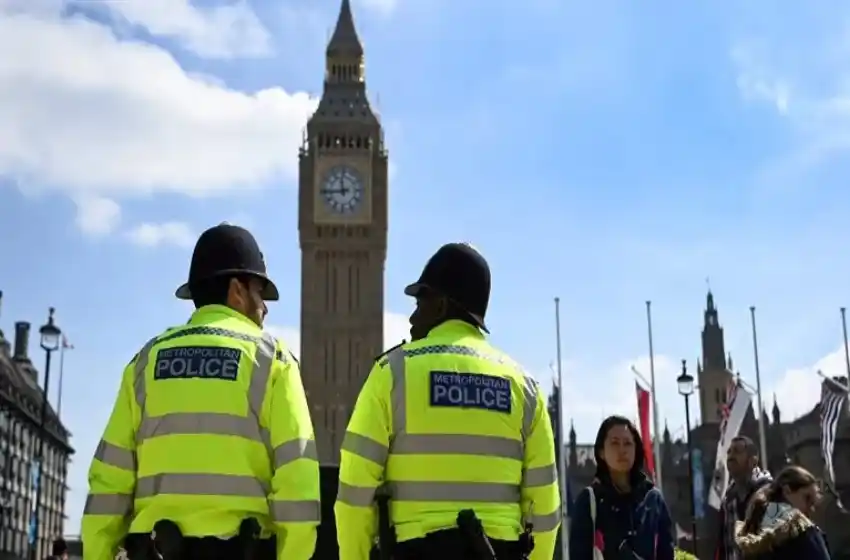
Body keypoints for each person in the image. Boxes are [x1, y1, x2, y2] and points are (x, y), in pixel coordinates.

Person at [81, 223, 321, 560]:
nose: (264, 308)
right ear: (237, 291)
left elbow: (109, 482)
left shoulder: (145, 362)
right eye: (259, 293)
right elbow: (298, 485)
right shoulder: (273, 361)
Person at [335, 242, 560, 560]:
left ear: (441, 306)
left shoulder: (393, 373)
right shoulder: (525, 388)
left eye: (420, 302)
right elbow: (545, 509)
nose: (412, 317)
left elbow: (354, 496)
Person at [568, 415, 674, 560]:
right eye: (615, 443)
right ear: (601, 452)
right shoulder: (589, 501)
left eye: (628, 443)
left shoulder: (653, 499)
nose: (622, 450)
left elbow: (666, 553)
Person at [735, 465, 830, 559]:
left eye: (813, 503)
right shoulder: (803, 533)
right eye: (807, 498)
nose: (811, 508)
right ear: (787, 490)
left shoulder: (753, 529)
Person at [717, 436, 773, 560]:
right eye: (729, 452)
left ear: (753, 460)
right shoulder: (727, 501)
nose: (731, 456)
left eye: (737, 451)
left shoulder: (770, 494)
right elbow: (725, 546)